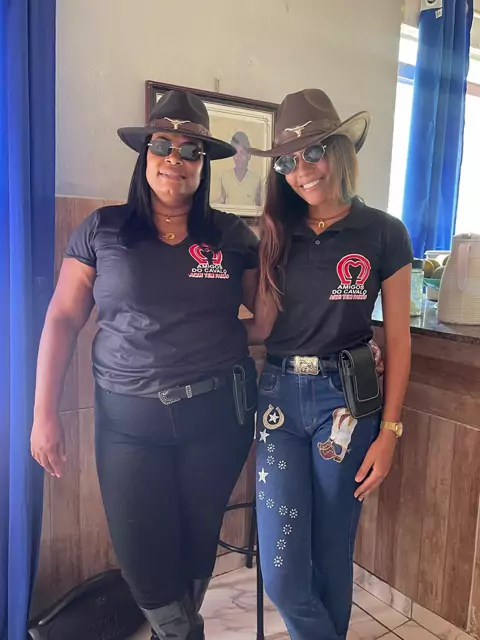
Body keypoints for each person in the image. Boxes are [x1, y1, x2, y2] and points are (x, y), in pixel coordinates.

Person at [30, 90, 259, 640]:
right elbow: (62, 318)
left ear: (204, 164)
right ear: (145, 153)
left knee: (196, 545)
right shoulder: (102, 229)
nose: (175, 159)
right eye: (163, 145)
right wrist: (44, 413)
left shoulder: (231, 236)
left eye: (190, 150)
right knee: (143, 560)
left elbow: (268, 321)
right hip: (128, 423)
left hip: (217, 419)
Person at [246, 89, 412, 640]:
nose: (301, 170)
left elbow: (399, 338)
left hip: (345, 402)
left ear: (339, 150)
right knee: (282, 574)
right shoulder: (277, 230)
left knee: (331, 553)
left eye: (312, 152)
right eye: (288, 162)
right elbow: (263, 328)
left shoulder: (384, 232)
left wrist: (389, 433)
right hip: (278, 400)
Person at [219, 131, 262, 207]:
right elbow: (221, 204)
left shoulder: (256, 179)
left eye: (242, 152)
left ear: (248, 155)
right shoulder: (225, 176)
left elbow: (259, 206)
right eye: (236, 152)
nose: (238, 156)